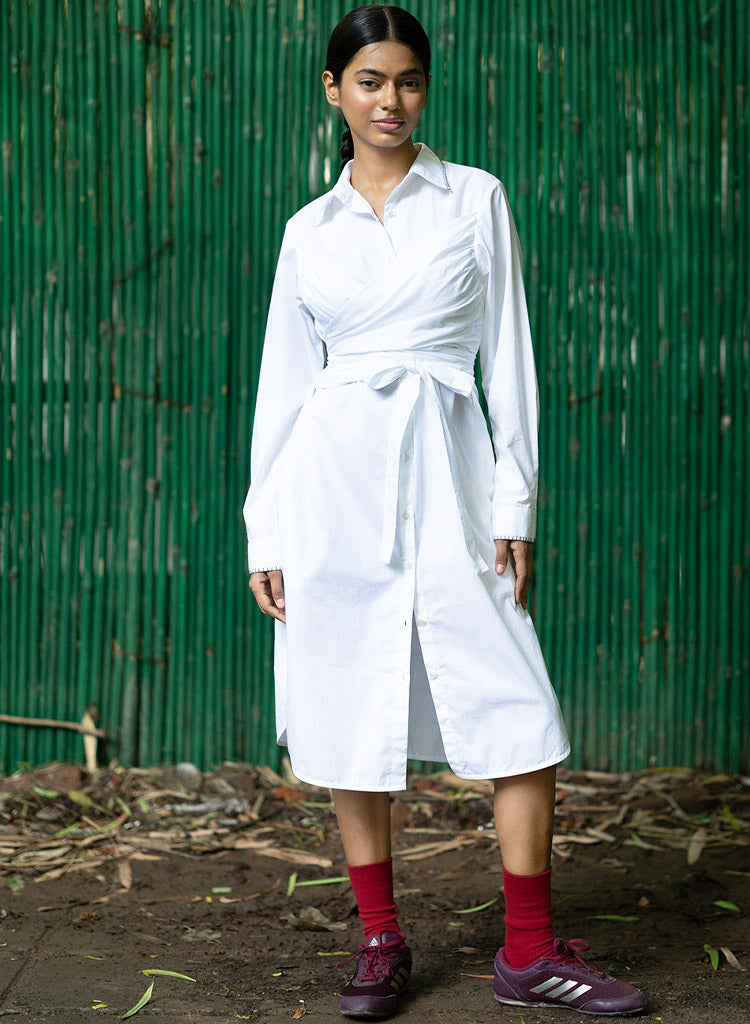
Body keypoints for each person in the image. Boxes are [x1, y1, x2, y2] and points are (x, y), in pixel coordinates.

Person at [244, 4, 647, 1019]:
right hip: (332, 491)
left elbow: (508, 358)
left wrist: (517, 503)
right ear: (334, 91)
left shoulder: (474, 197)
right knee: (344, 705)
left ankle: (529, 951)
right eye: (370, 80)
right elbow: (283, 392)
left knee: (520, 709)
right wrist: (267, 529)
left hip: (454, 479)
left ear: (425, 88)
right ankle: (380, 940)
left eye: (409, 80)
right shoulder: (308, 231)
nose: (392, 99)